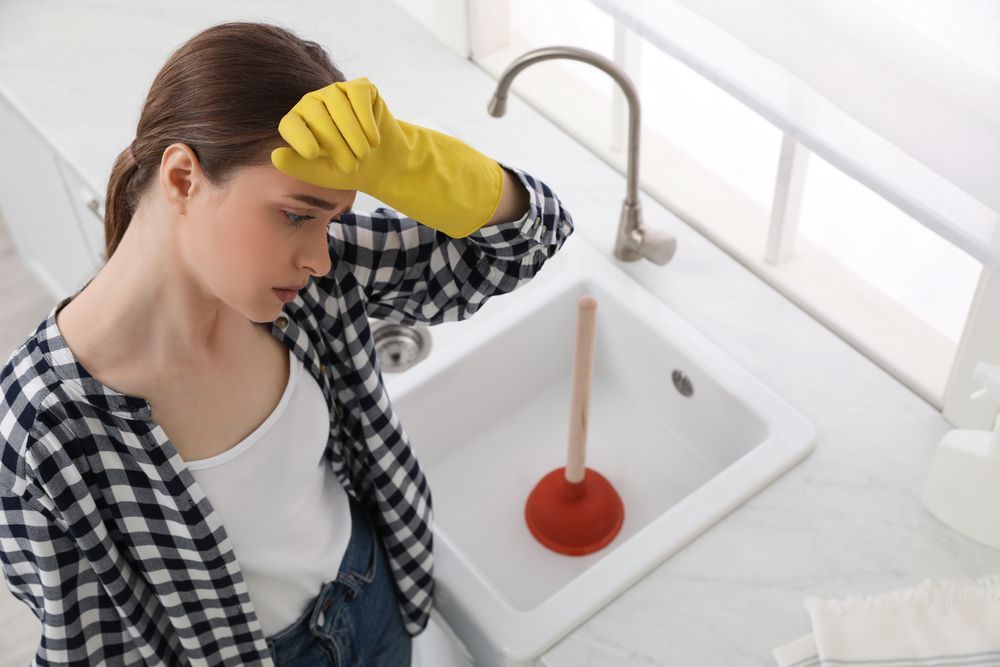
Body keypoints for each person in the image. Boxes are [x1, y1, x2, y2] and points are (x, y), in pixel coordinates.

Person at [0, 19, 574, 666]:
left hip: (377, 591)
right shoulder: (40, 429)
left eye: (328, 218)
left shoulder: (307, 281)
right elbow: (91, 652)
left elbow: (527, 241)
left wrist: (405, 158)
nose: (320, 256)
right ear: (184, 177)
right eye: (297, 214)